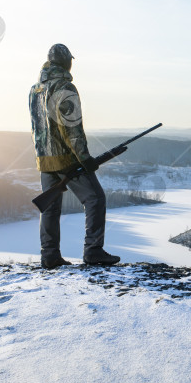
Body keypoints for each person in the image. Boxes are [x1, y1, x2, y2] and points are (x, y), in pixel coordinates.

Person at [29, 43, 120, 268]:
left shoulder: (35, 89)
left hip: (44, 159)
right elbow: (72, 128)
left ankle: (49, 255)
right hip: (66, 159)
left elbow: (37, 127)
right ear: (66, 61)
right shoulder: (64, 87)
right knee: (95, 198)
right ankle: (93, 250)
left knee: (50, 208)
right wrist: (84, 158)